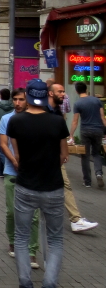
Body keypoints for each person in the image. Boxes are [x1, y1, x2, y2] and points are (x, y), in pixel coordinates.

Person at [8, 79, 69, 288]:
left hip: (25, 186)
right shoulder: (57, 122)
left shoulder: (16, 121)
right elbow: (64, 154)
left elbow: (17, 154)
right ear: (46, 96)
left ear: (28, 96)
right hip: (53, 187)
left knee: (22, 239)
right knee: (55, 241)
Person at [47, 81, 98, 233]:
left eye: (64, 91)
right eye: (60, 92)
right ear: (51, 93)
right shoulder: (43, 111)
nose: (64, 94)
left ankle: (75, 219)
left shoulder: (57, 112)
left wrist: (64, 152)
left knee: (64, 185)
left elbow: (60, 134)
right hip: (43, 156)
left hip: (54, 156)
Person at [0, 88, 40, 268]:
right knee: (12, 211)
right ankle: (13, 241)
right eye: (15, 99)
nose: (17, 103)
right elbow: (3, 143)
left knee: (34, 215)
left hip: (33, 173)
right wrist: (14, 160)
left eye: (21, 99)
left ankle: (31, 251)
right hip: (12, 170)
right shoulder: (6, 119)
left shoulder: (37, 119)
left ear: (27, 100)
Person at [70, 82, 106, 188]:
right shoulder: (97, 100)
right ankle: (99, 173)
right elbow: (102, 117)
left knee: (85, 155)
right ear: (86, 89)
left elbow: (75, 121)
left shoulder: (78, 103)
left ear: (77, 91)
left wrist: (71, 134)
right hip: (98, 130)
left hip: (85, 130)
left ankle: (87, 181)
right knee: (96, 153)